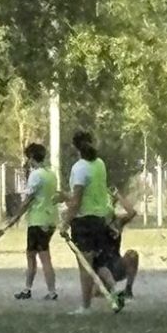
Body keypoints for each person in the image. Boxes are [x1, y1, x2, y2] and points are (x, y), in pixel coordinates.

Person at [62, 131, 123, 314]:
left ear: (75, 148)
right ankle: (115, 290)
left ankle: (85, 306)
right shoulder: (100, 164)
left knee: (85, 266)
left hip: (84, 221)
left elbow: (77, 200)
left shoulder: (79, 168)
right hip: (100, 219)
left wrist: (66, 221)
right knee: (99, 263)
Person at [15, 142, 60, 301]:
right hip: (50, 219)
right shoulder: (51, 175)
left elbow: (29, 198)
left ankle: (51, 291)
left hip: (38, 220)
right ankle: (27, 289)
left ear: (32, 157)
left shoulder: (36, 175)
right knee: (31, 254)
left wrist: (17, 215)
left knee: (42, 257)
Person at [105, 187, 141, 300]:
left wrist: (118, 195)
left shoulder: (117, 222)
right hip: (100, 267)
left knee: (132, 255)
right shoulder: (96, 221)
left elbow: (132, 212)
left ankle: (128, 289)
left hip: (115, 264)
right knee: (98, 293)